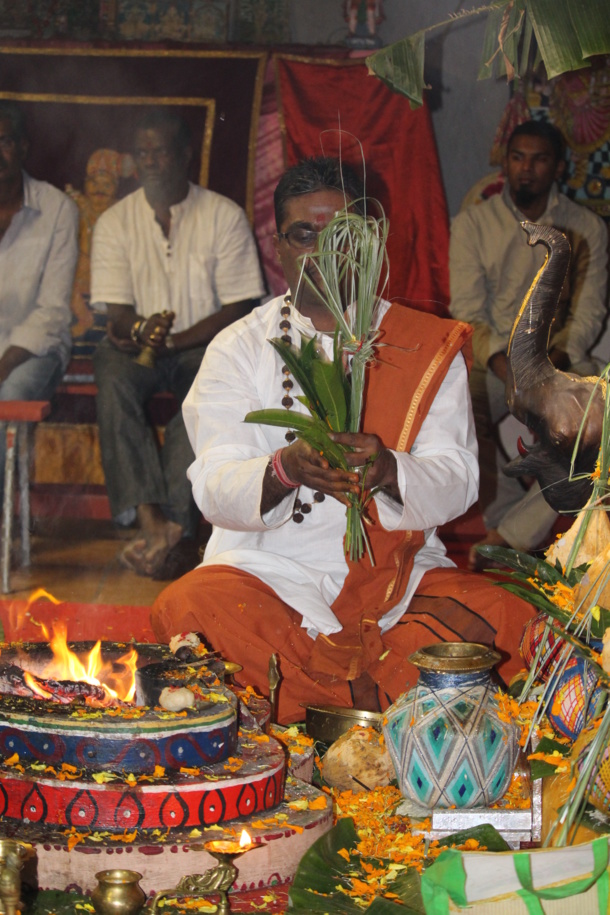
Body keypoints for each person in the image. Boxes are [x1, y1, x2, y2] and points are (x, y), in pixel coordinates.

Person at [151, 156, 535, 725]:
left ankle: (306, 716)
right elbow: (212, 484)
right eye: (304, 235)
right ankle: (393, 716)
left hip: (398, 580)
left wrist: (388, 470)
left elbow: (458, 481)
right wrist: (284, 469)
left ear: (370, 242)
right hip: (270, 572)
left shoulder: (419, 347)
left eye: (343, 235)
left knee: (507, 617)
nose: (324, 252)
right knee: (187, 608)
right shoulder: (238, 347)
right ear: (278, 245)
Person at [90, 107, 265, 580]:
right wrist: (138, 333)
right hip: (136, 348)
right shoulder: (114, 222)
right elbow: (117, 314)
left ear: (185, 155)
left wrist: (176, 341)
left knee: (206, 388)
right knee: (111, 378)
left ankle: (173, 528)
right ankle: (153, 521)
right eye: (142, 153)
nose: (150, 162)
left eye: (160, 152)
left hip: (201, 344)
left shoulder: (222, 215)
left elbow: (240, 306)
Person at [449, 120, 608, 569]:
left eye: (539, 159)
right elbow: (467, 313)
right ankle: (495, 521)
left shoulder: (586, 228)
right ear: (506, 163)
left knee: (607, 414)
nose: (526, 169)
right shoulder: (472, 225)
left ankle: (510, 536)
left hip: (559, 361)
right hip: (495, 365)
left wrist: (550, 367)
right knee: (454, 405)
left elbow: (588, 315)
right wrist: (508, 366)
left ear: (558, 166)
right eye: (518, 157)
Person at [0, 100, 78, 488]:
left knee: (9, 394)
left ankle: (2, 521)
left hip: (35, 351)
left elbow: (51, 311)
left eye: (4, 142)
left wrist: (2, 364)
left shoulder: (56, 209)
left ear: (23, 147)